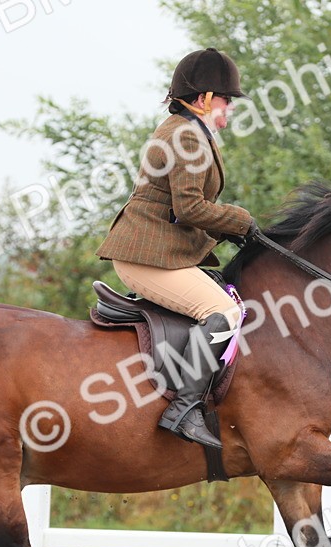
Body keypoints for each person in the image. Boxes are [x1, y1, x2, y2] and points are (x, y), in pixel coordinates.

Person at [96, 47, 259, 449]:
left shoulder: (187, 130)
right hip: (145, 257)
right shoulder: (186, 135)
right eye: (227, 100)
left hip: (157, 251)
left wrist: (231, 231)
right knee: (222, 310)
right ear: (204, 98)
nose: (229, 109)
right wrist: (240, 220)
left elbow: (183, 210)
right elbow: (189, 207)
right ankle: (184, 408)